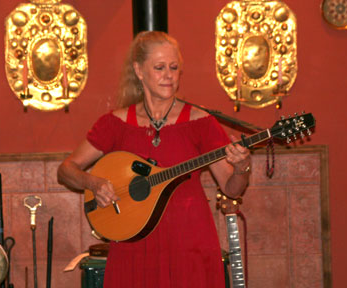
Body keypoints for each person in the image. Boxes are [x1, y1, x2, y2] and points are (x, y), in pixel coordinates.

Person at [57, 31, 251, 288]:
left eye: (174, 67)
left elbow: (231, 188)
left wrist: (241, 167)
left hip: (189, 244)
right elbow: (66, 169)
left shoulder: (201, 122)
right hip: (133, 246)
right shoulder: (115, 124)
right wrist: (93, 183)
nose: (169, 75)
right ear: (139, 70)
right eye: (159, 68)